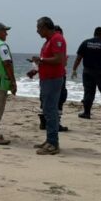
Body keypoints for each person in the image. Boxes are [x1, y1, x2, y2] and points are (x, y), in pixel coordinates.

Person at [31, 17, 66, 155]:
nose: (37, 31)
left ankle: (53, 143)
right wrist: (36, 68)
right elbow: (47, 60)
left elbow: (59, 59)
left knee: (51, 111)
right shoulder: (48, 42)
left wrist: (41, 60)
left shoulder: (57, 39)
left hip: (53, 80)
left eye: (39, 28)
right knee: (47, 110)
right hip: (46, 79)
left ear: (45, 27)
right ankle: (50, 140)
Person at [71, 27, 101, 120]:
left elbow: (78, 58)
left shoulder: (85, 43)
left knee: (88, 92)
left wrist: (74, 70)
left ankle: (87, 113)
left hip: (88, 72)